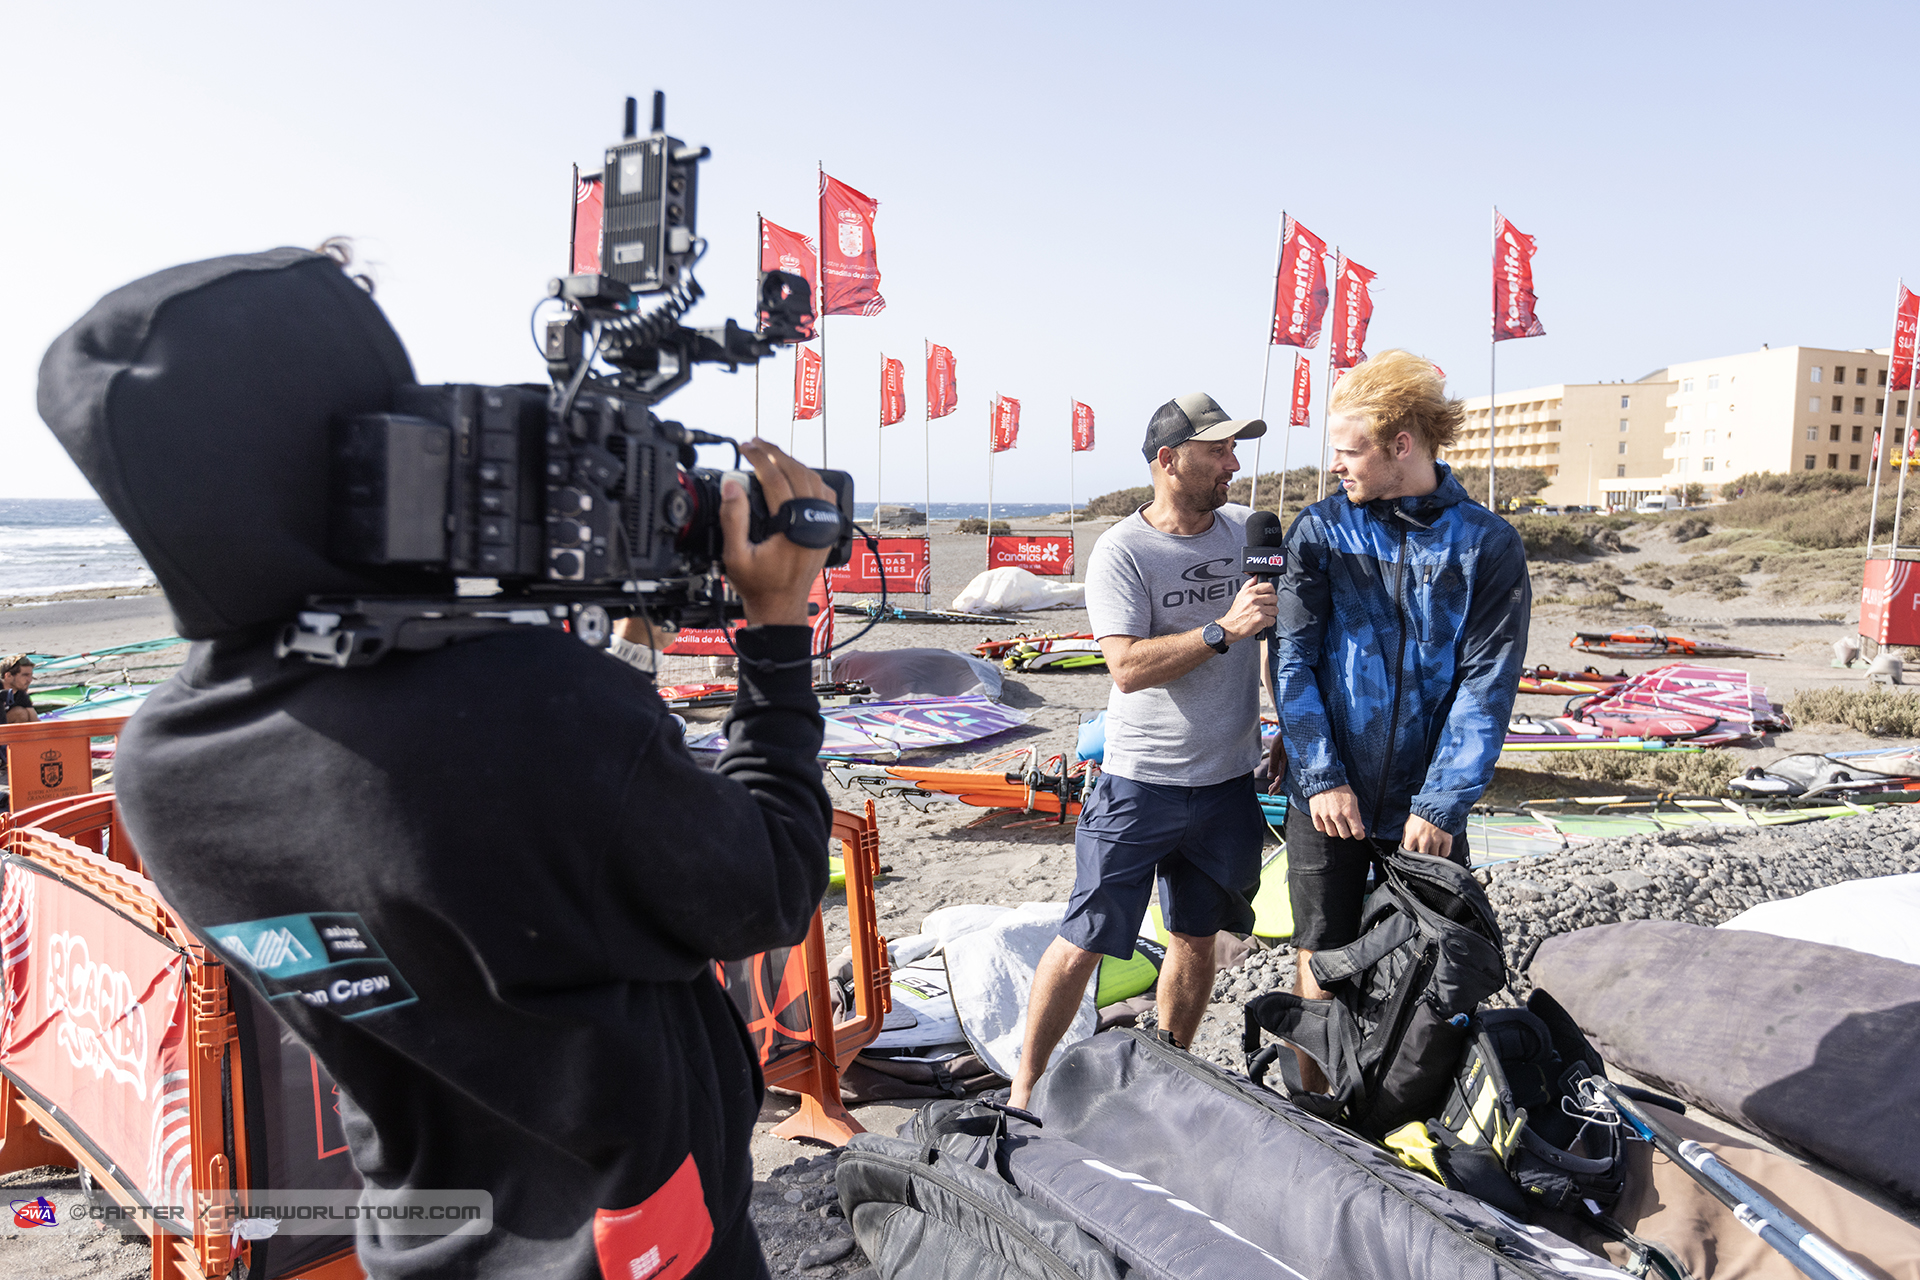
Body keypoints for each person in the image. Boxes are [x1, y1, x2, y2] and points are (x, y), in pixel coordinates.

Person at [37, 247, 836, 1280]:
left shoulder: (163, 761)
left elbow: (446, 876)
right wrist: (775, 628)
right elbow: (770, 882)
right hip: (648, 1241)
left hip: (427, 1234)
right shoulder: (522, 707)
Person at [1008, 393, 1276, 1109]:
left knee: (1195, 939)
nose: (1233, 462)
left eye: (1233, 448)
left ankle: (1167, 1075)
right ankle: (1024, 1091)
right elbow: (1124, 667)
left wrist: (1280, 725)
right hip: (1139, 783)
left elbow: (1274, 634)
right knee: (1086, 939)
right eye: (1218, 450)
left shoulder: (1246, 533)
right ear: (1168, 459)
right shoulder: (1124, 551)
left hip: (1227, 785)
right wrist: (1222, 630)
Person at [1269, 351, 1529, 1085]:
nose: (1337, 468)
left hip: (1426, 806)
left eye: (1349, 451)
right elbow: (1292, 663)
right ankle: (1310, 1110)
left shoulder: (1487, 544)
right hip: (1328, 797)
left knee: (1434, 966)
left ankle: (1401, 1114)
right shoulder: (1320, 532)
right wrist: (1321, 777)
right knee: (1322, 957)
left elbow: (1488, 683)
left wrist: (1443, 800)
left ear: (1401, 445)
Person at [1, 655, 37, 723]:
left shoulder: (21, 694)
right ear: (8, 676)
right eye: (25, 675)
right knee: (20, 713)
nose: (30, 680)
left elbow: (35, 720)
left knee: (23, 713)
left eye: (31, 676)